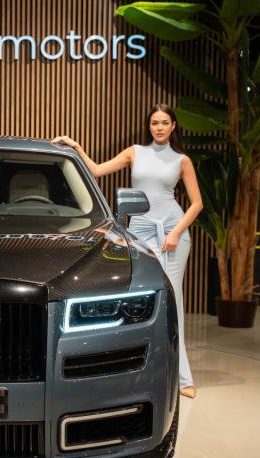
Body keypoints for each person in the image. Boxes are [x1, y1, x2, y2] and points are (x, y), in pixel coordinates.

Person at [52, 104, 203, 399]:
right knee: (147, 297)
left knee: (174, 301)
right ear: (149, 126)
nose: (159, 127)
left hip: (173, 230)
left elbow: (197, 203)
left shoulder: (182, 160)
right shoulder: (135, 152)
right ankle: (151, 372)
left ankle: (183, 378)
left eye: (165, 122)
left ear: (173, 126)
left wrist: (175, 233)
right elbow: (96, 170)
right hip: (141, 229)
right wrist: (75, 146)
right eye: (155, 123)